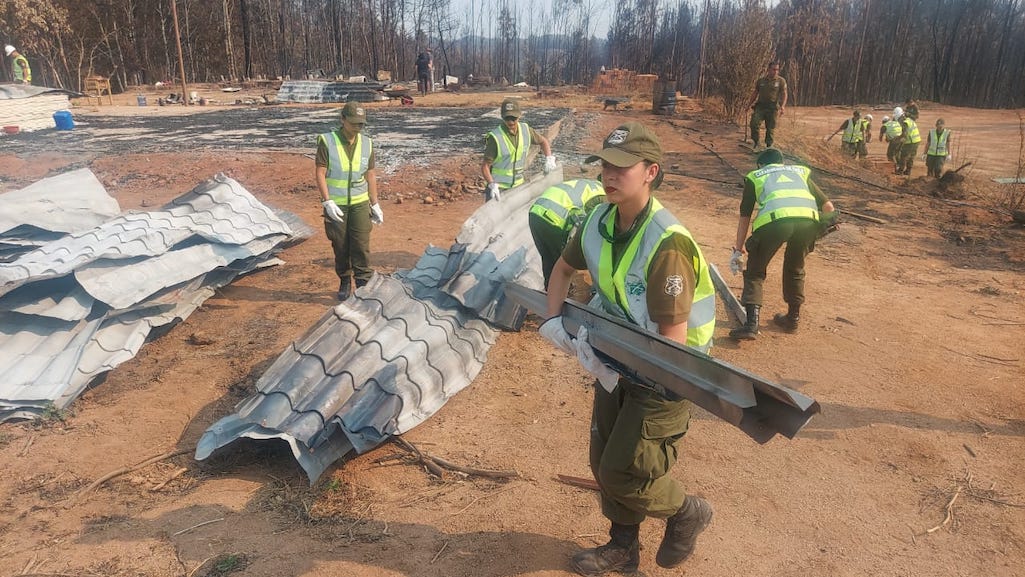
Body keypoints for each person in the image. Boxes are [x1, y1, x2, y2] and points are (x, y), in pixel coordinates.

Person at [539, 122, 716, 576]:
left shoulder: (667, 243)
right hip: (619, 355)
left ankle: (685, 511)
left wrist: (624, 367)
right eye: (604, 165)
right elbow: (562, 271)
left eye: (622, 167)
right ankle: (623, 547)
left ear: (651, 172)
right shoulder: (599, 219)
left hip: (666, 374)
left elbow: (671, 341)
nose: (609, 175)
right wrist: (554, 321)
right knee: (602, 461)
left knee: (624, 470)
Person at [729, 148, 836, 339]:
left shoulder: (755, 176)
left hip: (775, 222)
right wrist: (816, 231)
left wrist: (739, 249)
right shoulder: (799, 172)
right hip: (808, 222)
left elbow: (745, 215)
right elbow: (828, 207)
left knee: (755, 270)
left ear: (761, 165)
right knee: (795, 268)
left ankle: (751, 325)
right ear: (781, 162)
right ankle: (792, 319)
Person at [315, 101, 384, 300]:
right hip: (337, 204)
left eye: (361, 124)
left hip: (360, 203)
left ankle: (362, 283)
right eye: (354, 123)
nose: (357, 127)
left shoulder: (367, 143)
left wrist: (375, 203)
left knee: (361, 244)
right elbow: (320, 173)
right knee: (341, 244)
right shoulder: (327, 141)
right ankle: (345, 279)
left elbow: (370, 174)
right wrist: (327, 201)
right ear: (342, 119)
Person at [528, 178, 605, 288]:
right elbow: (587, 225)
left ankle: (550, 290)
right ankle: (563, 294)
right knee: (563, 261)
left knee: (548, 257)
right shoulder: (600, 195)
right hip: (554, 218)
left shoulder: (587, 184)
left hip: (535, 212)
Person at [481, 98, 555, 201]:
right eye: (507, 118)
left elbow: (543, 141)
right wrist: (492, 184)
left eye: (513, 118)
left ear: (519, 115)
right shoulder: (495, 137)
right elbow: (485, 166)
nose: (510, 122)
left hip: (518, 187)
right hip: (499, 189)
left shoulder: (526, 130)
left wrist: (549, 158)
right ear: (502, 117)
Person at [747, 62, 788, 150]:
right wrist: (749, 104)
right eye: (773, 69)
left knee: (770, 128)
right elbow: (755, 93)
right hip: (760, 106)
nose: (775, 71)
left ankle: (769, 146)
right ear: (768, 69)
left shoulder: (781, 81)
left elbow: (784, 94)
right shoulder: (761, 81)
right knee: (754, 123)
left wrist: (783, 106)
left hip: (772, 108)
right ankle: (756, 142)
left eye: (777, 70)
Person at [895, 107, 922, 176]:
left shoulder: (905, 123)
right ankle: (908, 171)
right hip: (916, 140)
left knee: (903, 155)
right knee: (911, 156)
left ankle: (900, 170)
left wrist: (899, 142)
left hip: (911, 141)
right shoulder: (909, 120)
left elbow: (905, 134)